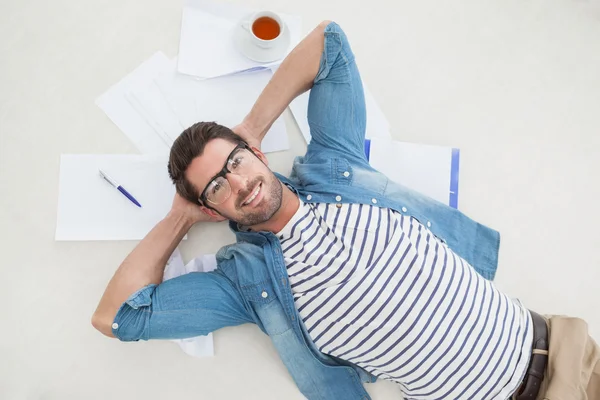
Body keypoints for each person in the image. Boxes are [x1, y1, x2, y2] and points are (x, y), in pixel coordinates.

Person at [92, 21, 600, 400]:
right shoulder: (247, 284)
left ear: (257, 153)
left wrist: (251, 125)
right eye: (219, 186)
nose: (241, 184)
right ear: (212, 208)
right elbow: (117, 318)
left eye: (237, 161)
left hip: (563, 358)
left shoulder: (335, 166)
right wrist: (179, 216)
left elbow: (328, 45)